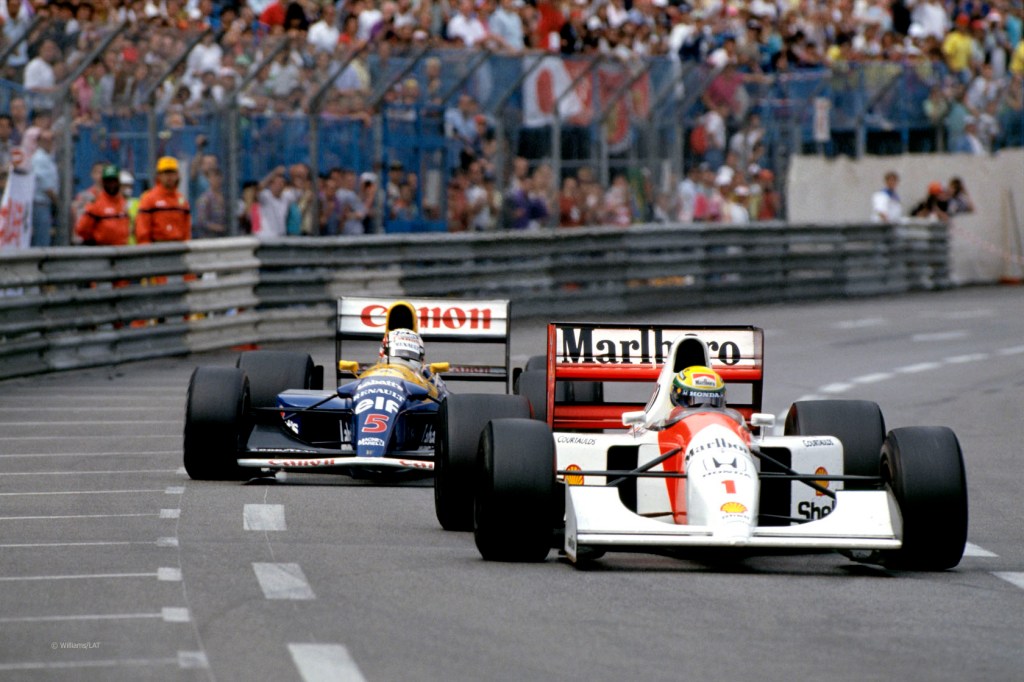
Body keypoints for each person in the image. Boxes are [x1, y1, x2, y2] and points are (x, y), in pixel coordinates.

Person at [136, 156, 191, 243]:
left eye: (172, 173)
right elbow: (142, 229)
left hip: (178, 248)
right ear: (159, 175)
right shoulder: (149, 198)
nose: (169, 177)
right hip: (157, 248)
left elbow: (186, 229)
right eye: (165, 173)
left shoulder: (182, 200)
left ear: (177, 175)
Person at [75, 164, 131, 246]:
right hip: (102, 249)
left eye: (114, 181)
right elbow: (82, 230)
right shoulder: (96, 203)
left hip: (121, 248)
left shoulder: (123, 202)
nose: (112, 184)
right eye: (108, 181)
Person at [30, 129, 59, 247]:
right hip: (40, 204)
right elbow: (46, 187)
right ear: (39, 142)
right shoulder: (39, 159)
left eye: (51, 140)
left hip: (45, 204)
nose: (49, 143)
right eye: (45, 140)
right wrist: (58, 203)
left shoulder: (48, 158)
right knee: (41, 241)